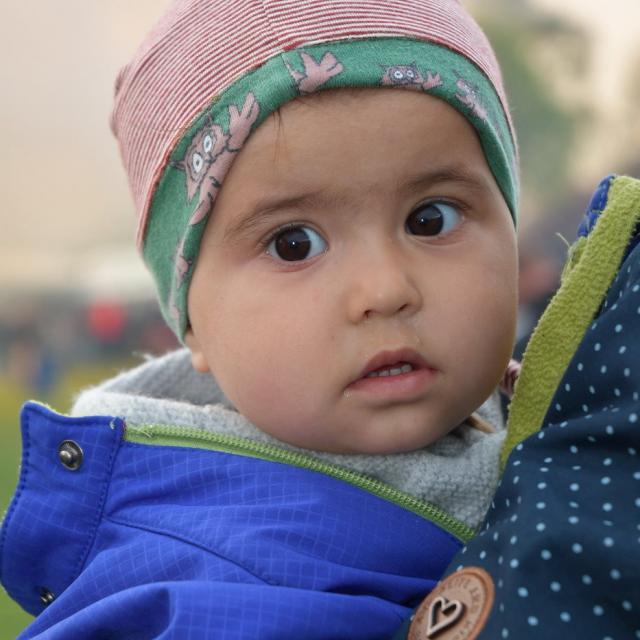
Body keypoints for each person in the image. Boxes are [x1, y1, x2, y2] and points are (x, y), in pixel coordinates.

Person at [0, 1, 579, 638]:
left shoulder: (577, 424)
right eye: (294, 244)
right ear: (193, 325)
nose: (385, 290)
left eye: (430, 218)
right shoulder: (194, 597)